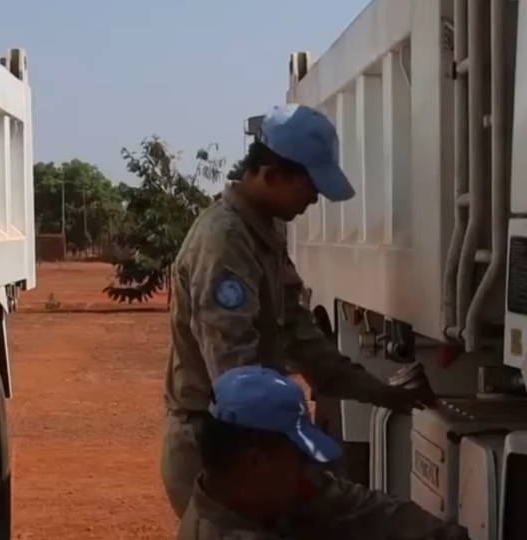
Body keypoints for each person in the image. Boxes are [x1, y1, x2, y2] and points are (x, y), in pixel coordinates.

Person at [161, 104, 437, 517]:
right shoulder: (224, 244)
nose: (313, 201)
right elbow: (236, 377)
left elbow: (304, 338)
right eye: (309, 189)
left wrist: (382, 393)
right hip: (226, 451)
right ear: (271, 175)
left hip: (255, 446)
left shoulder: (262, 234)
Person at [177, 366, 470, 540]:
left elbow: (355, 505)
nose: (307, 469)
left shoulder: (259, 493)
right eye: (299, 457)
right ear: (255, 462)